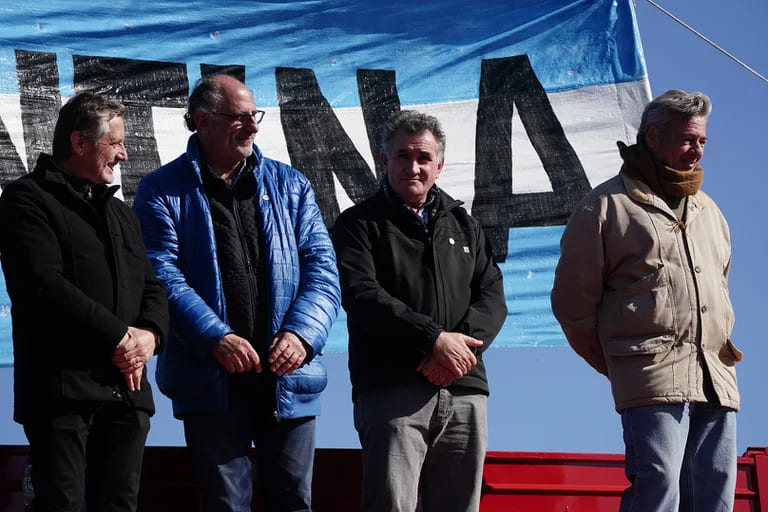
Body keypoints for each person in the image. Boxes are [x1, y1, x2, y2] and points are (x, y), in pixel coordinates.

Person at [132, 74, 340, 512]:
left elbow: (323, 270)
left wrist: (301, 336)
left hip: (288, 380)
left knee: (293, 502)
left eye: (255, 116)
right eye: (239, 117)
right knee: (226, 505)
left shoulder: (292, 186)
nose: (253, 126)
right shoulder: (160, 191)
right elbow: (160, 276)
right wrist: (216, 338)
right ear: (202, 121)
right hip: (211, 380)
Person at [551, 89, 742, 511]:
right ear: (652, 137)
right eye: (688, 139)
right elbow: (572, 304)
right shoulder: (605, 207)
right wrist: (623, 364)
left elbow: (720, 291)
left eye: (703, 141)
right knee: (658, 491)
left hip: (717, 375)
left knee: (715, 497)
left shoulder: (710, 212)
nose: (697, 150)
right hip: (650, 376)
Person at [0, 92, 169, 512]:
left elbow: (153, 287)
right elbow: (43, 285)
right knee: (63, 504)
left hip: (126, 398)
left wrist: (150, 337)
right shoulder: (27, 200)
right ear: (79, 143)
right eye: (115, 144)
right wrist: (120, 339)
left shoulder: (121, 214)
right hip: (63, 396)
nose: (125, 155)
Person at [333, 110, 507, 512]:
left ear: (440, 165)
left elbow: (492, 297)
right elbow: (361, 295)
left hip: (465, 390)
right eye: (402, 156)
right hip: (393, 390)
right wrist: (433, 339)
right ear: (385, 161)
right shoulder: (359, 224)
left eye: (424, 158)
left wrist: (459, 355)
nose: (413, 167)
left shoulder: (466, 226)